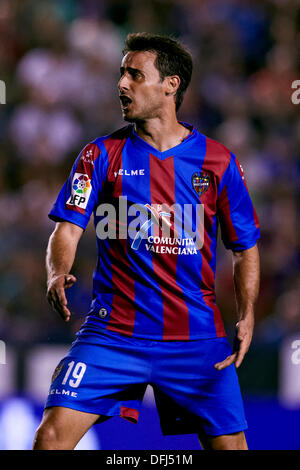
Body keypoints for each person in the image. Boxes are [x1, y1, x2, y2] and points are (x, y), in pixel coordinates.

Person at [33, 33, 260, 451]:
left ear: (170, 85)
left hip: (195, 340)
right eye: (121, 73)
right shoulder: (98, 155)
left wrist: (246, 316)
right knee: (49, 438)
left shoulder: (219, 161)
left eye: (135, 74)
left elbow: (244, 248)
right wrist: (57, 271)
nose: (122, 83)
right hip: (112, 334)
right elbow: (66, 229)